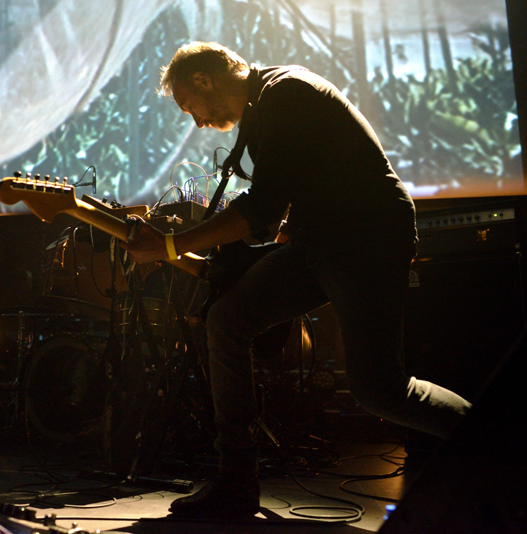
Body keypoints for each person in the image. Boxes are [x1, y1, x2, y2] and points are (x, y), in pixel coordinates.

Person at [122, 42, 472, 517]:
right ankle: (236, 483)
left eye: (191, 107)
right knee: (226, 321)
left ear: (205, 81)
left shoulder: (287, 93)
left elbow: (262, 207)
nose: (197, 121)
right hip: (320, 240)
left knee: (380, 389)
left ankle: (500, 448)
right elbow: (276, 209)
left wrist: (169, 245)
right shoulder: (265, 105)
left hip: (366, 237)